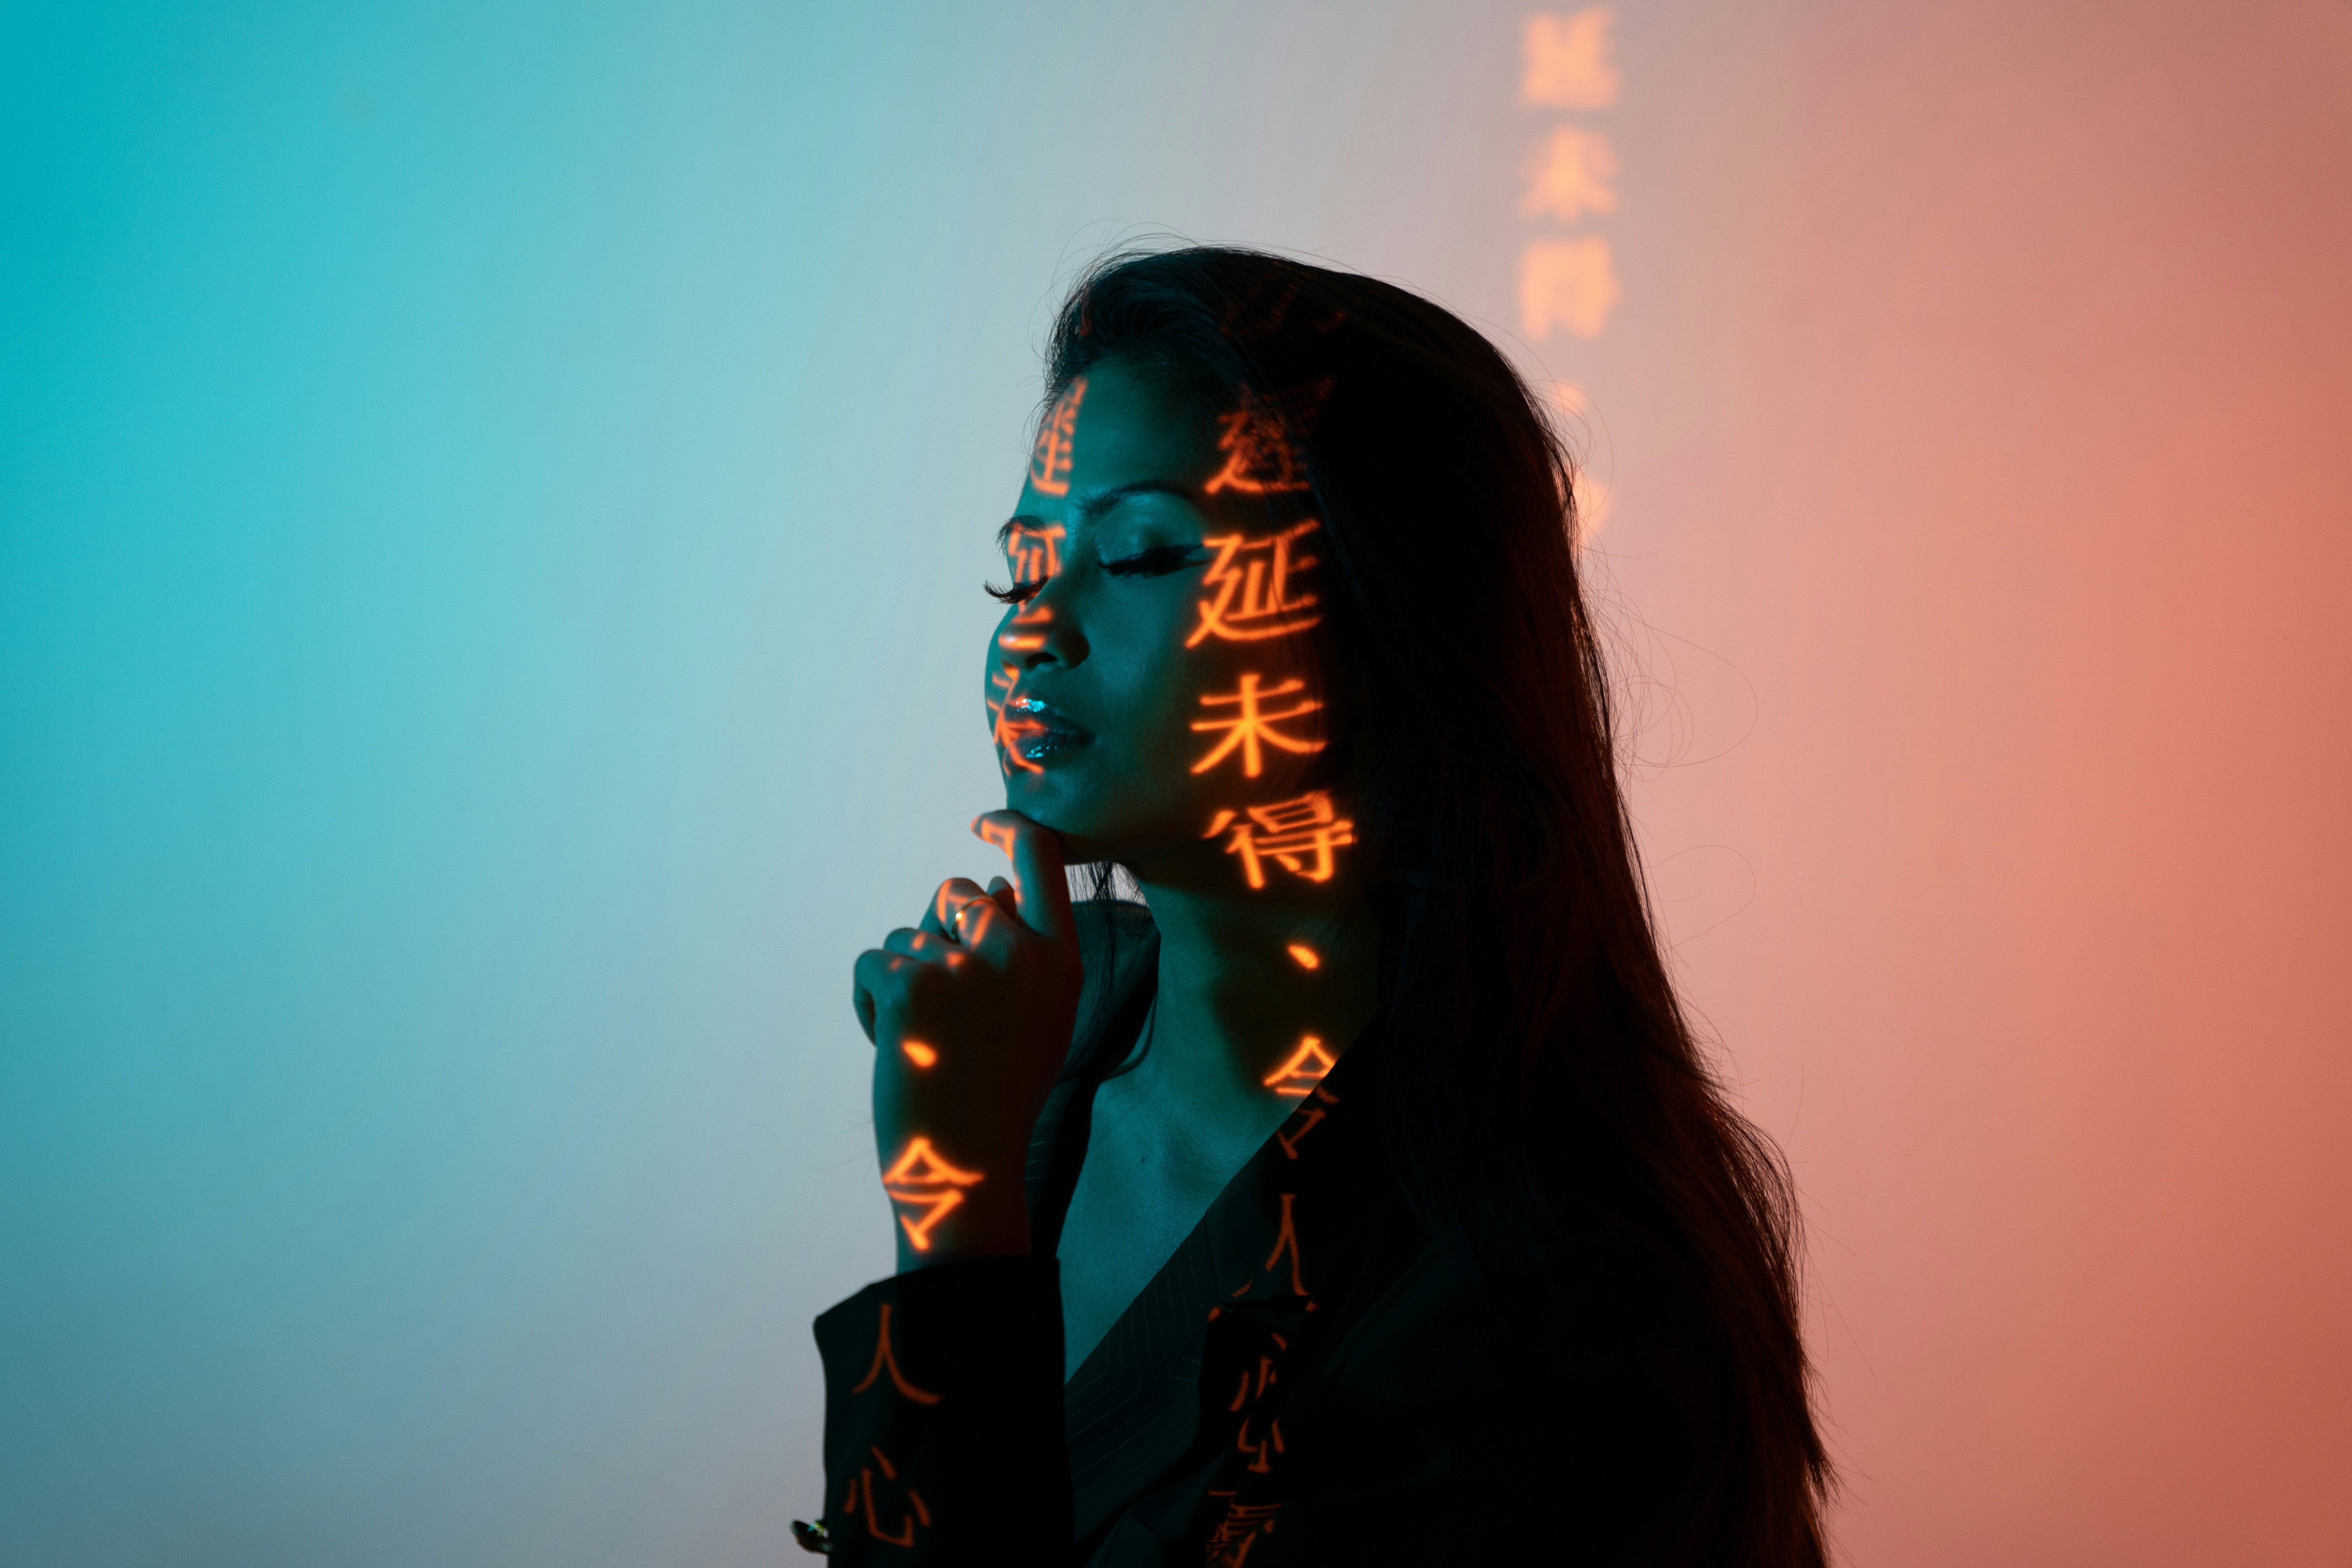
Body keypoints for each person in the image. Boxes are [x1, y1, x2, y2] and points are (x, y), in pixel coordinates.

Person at [797, 248, 1832, 1565]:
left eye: (1140, 554)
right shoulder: (1051, 1024)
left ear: (1386, 625)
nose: (1032, 631)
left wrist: (951, 1211)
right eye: (1020, 569)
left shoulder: (1555, 1307)